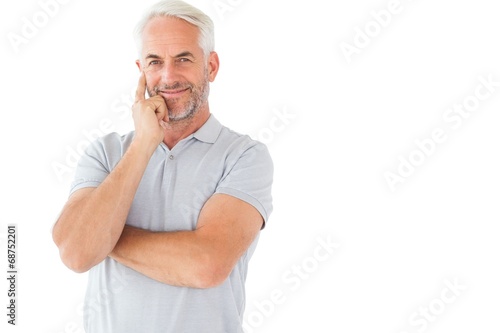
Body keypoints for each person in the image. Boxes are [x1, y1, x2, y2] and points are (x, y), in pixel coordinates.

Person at [51, 1, 273, 332]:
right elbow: (76, 254)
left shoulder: (244, 156)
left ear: (210, 66)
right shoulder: (106, 152)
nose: (168, 77)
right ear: (141, 70)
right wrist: (143, 145)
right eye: (155, 62)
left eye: (183, 59)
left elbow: (206, 265)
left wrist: (104, 238)